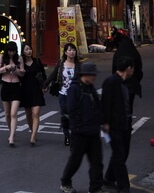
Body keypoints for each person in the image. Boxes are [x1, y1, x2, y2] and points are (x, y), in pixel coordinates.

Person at [59, 62, 104, 193]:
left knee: (97, 161)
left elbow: (97, 106)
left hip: (93, 131)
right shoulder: (75, 88)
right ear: (85, 75)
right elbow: (71, 109)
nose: (95, 77)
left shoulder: (90, 88)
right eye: (93, 75)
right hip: (80, 132)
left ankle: (95, 188)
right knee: (75, 160)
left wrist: (102, 121)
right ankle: (65, 182)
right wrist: (77, 126)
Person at [102, 56, 135, 193]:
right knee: (119, 155)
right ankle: (124, 186)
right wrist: (105, 123)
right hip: (113, 125)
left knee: (122, 153)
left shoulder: (124, 82)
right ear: (128, 69)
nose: (133, 71)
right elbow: (105, 103)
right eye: (133, 68)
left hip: (124, 123)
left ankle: (109, 177)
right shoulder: (111, 82)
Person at [44, 42, 80, 146]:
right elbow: (53, 75)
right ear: (65, 52)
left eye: (73, 50)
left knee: (74, 115)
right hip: (63, 93)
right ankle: (67, 135)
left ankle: (73, 135)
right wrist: (45, 85)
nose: (72, 52)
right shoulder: (61, 64)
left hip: (74, 95)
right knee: (65, 115)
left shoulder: (78, 65)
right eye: (69, 50)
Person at [0, 42, 25, 146]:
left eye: (13, 51)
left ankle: (11, 137)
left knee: (13, 113)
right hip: (5, 86)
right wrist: (6, 68)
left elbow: (22, 73)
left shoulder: (19, 58)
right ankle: (11, 131)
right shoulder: (2, 57)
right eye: (10, 51)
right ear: (7, 50)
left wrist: (15, 69)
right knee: (7, 114)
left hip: (16, 86)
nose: (12, 53)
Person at [111, 29, 143, 123]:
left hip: (119, 82)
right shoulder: (134, 53)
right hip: (132, 83)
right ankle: (128, 120)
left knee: (120, 103)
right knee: (129, 104)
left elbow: (114, 69)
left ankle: (121, 120)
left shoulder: (118, 53)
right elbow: (139, 69)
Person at [20, 43, 46, 146]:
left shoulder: (37, 61)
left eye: (30, 49)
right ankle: (32, 131)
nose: (29, 51)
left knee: (35, 114)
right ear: (23, 51)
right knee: (28, 115)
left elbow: (43, 74)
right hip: (25, 90)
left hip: (36, 90)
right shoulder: (20, 63)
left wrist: (45, 86)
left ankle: (33, 136)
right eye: (26, 49)